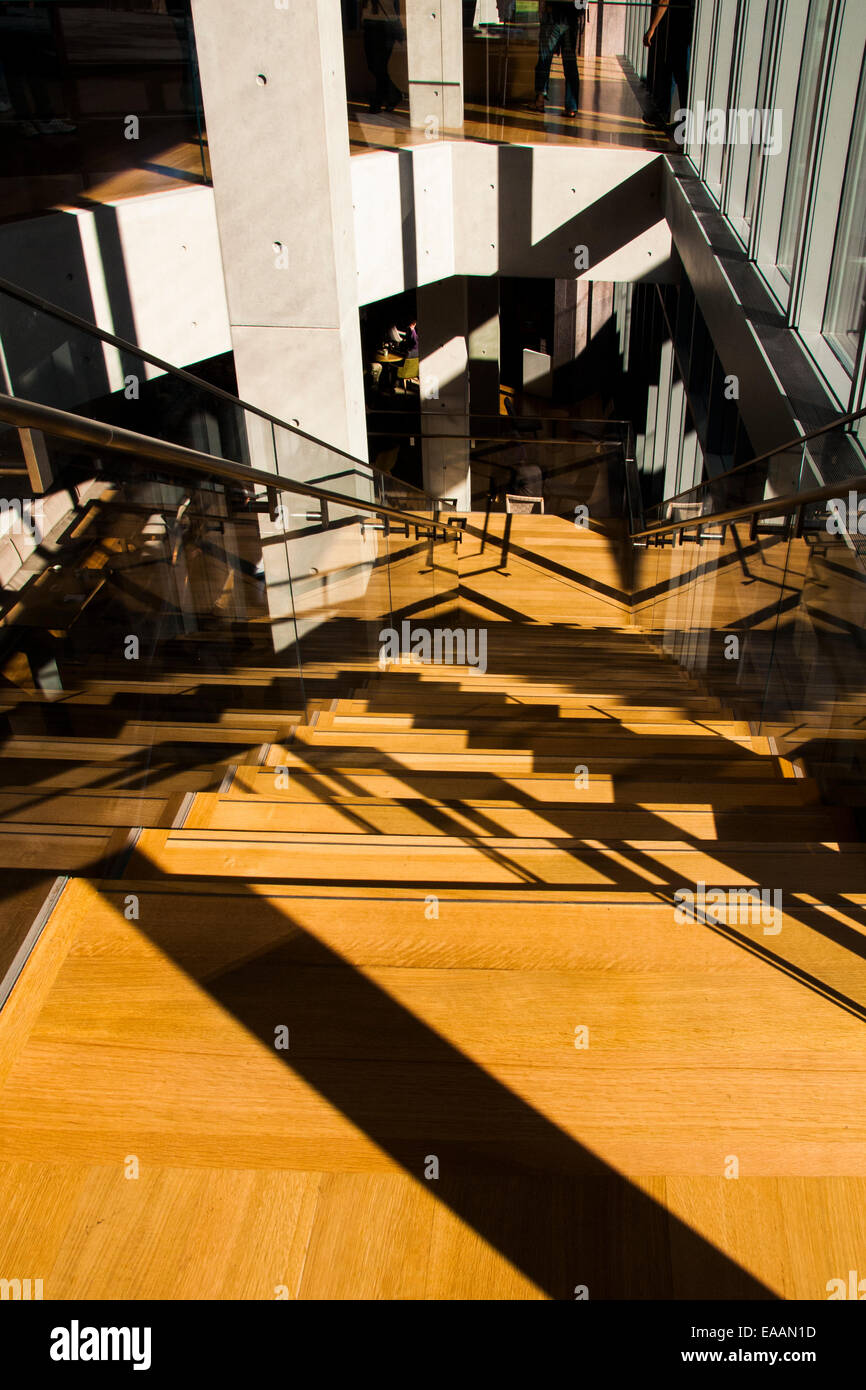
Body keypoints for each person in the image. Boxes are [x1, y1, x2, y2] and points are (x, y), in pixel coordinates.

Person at [531, 0, 589, 119]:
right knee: (570, 62)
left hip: (553, 16)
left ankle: (540, 100)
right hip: (571, 19)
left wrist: (542, 8)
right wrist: (579, 12)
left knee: (545, 58)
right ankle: (571, 107)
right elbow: (581, 4)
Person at [643, 0, 694, 121]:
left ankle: (666, 113)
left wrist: (652, 28)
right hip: (686, 28)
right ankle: (679, 117)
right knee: (678, 73)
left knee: (677, 73)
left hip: (681, 29)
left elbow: (664, 1)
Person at [360, 0, 404, 115]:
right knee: (373, 66)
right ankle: (395, 94)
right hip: (370, 26)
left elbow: (389, 8)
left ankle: (377, 103)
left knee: (379, 67)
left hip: (383, 27)